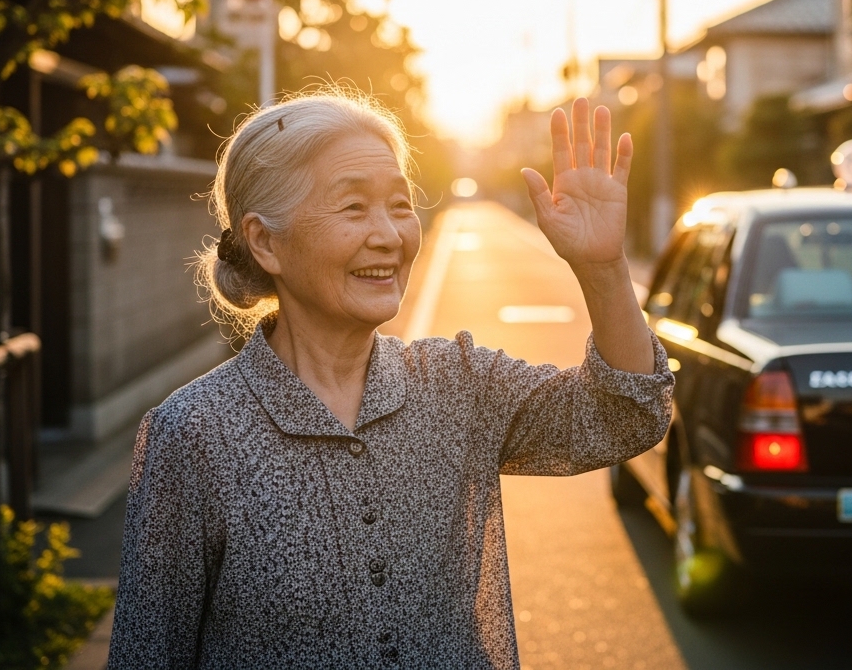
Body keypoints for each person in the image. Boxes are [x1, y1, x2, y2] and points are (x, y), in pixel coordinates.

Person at [106, 90, 674, 669]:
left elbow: (624, 416)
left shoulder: (456, 385)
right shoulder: (194, 435)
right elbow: (147, 656)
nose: (389, 234)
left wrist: (603, 268)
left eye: (400, 205)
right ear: (265, 242)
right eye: (353, 208)